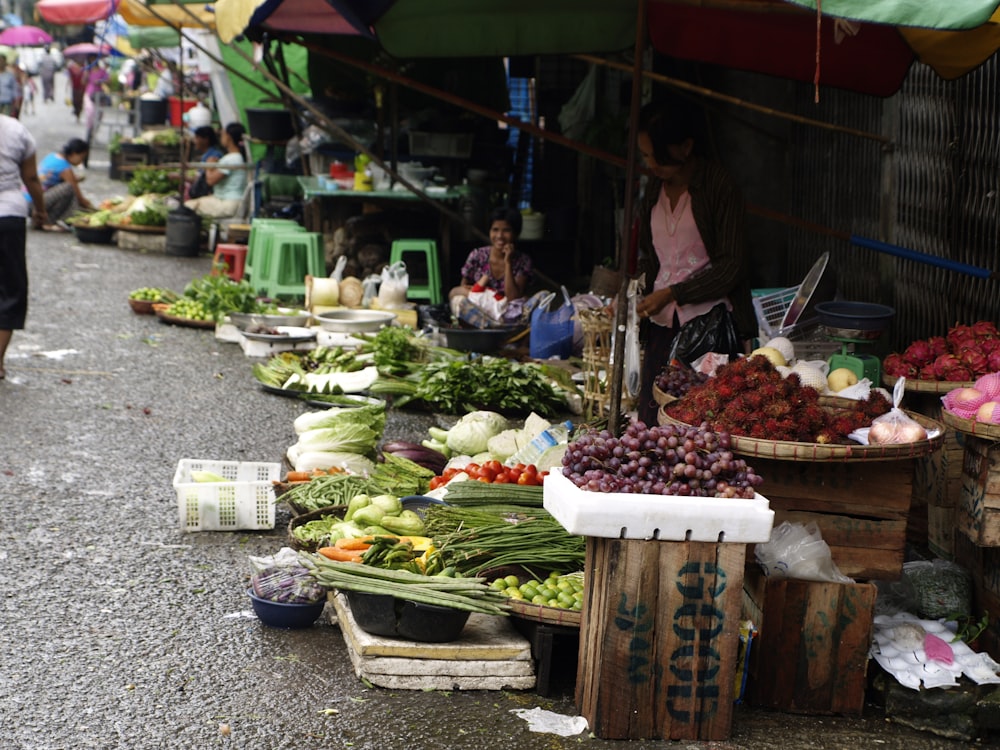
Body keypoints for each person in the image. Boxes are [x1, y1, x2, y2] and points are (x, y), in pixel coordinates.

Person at [633, 99, 757, 426]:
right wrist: (632, 294)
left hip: (710, 328)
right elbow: (650, 257)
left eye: (655, 156)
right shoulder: (653, 190)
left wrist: (675, 292)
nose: (650, 164)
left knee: (700, 422)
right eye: (644, 156)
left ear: (685, 147)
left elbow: (732, 265)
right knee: (653, 416)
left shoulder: (717, 186)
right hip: (662, 327)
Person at [0, 114, 48, 380]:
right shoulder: (16, 130)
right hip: (8, 215)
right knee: (9, 289)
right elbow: (31, 178)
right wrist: (40, 211)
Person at [450, 206, 532, 303]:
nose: (499, 236)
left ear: (515, 233)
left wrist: (508, 263)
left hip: (506, 311)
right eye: (495, 230)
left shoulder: (523, 261)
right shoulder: (477, 255)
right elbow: (463, 287)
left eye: (506, 230)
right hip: (478, 308)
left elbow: (512, 298)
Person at [184, 122, 248, 219]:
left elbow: (210, 181)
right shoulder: (235, 157)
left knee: (187, 207)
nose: (221, 137)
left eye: (223, 134)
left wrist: (209, 166)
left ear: (228, 137)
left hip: (227, 204)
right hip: (228, 201)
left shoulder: (232, 159)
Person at [32, 138, 94, 229]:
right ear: (74, 153)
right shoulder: (64, 167)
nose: (81, 162)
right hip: (36, 203)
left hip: (33, 198)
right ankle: (48, 221)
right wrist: (93, 210)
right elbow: (79, 196)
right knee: (69, 189)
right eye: (81, 158)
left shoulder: (53, 156)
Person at [186, 125, 223, 198]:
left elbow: (202, 178)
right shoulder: (206, 155)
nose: (195, 141)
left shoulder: (214, 155)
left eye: (197, 138)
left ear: (206, 139)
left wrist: (180, 177)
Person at [66, 57, 86, 122]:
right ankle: (76, 112)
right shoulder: (71, 68)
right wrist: (67, 85)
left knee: (80, 101)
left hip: (82, 87)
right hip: (75, 87)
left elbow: (86, 77)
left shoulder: (84, 67)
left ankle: (78, 114)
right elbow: (70, 77)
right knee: (75, 100)